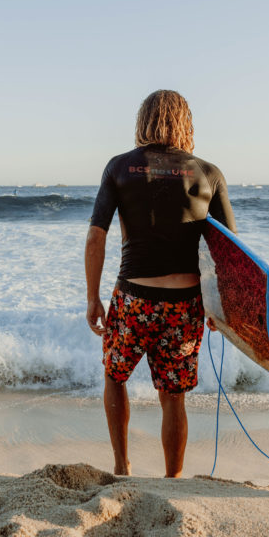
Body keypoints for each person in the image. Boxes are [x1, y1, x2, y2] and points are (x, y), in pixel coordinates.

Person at [85, 90, 236, 478]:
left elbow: (95, 237)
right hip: (185, 304)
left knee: (114, 377)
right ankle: (173, 478)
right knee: (173, 396)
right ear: (186, 123)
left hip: (133, 298)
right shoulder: (209, 173)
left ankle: (121, 466)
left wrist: (93, 297)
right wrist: (223, 310)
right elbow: (230, 254)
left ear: (143, 121)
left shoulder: (119, 168)